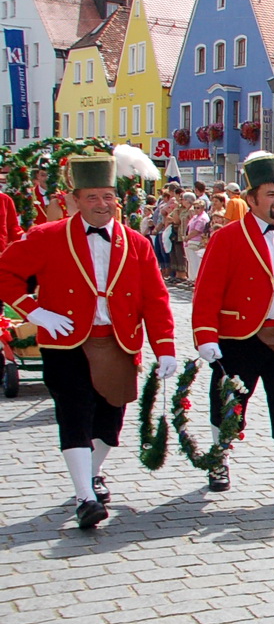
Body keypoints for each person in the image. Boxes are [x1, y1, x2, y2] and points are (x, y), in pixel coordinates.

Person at [0, 149, 177, 529]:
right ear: (74, 200)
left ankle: (92, 473)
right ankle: (85, 496)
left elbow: (156, 299)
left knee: (110, 422)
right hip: (66, 344)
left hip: (118, 342)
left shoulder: (137, 243)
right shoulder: (47, 236)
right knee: (74, 413)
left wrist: (165, 348)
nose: (102, 204)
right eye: (92, 197)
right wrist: (33, 311)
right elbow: (6, 273)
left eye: (108, 196)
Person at [190, 153, 274, 510]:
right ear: (251, 199)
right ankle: (220, 460)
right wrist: (205, 336)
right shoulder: (228, 237)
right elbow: (207, 290)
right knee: (229, 406)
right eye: (270, 194)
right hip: (240, 335)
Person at [184, 196, 212, 282]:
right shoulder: (195, 216)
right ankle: (192, 279)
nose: (196, 209)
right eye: (195, 207)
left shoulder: (203, 218)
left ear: (203, 208)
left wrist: (187, 237)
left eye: (198, 208)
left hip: (196, 241)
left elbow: (197, 230)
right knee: (191, 261)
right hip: (190, 241)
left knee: (195, 262)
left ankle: (196, 279)